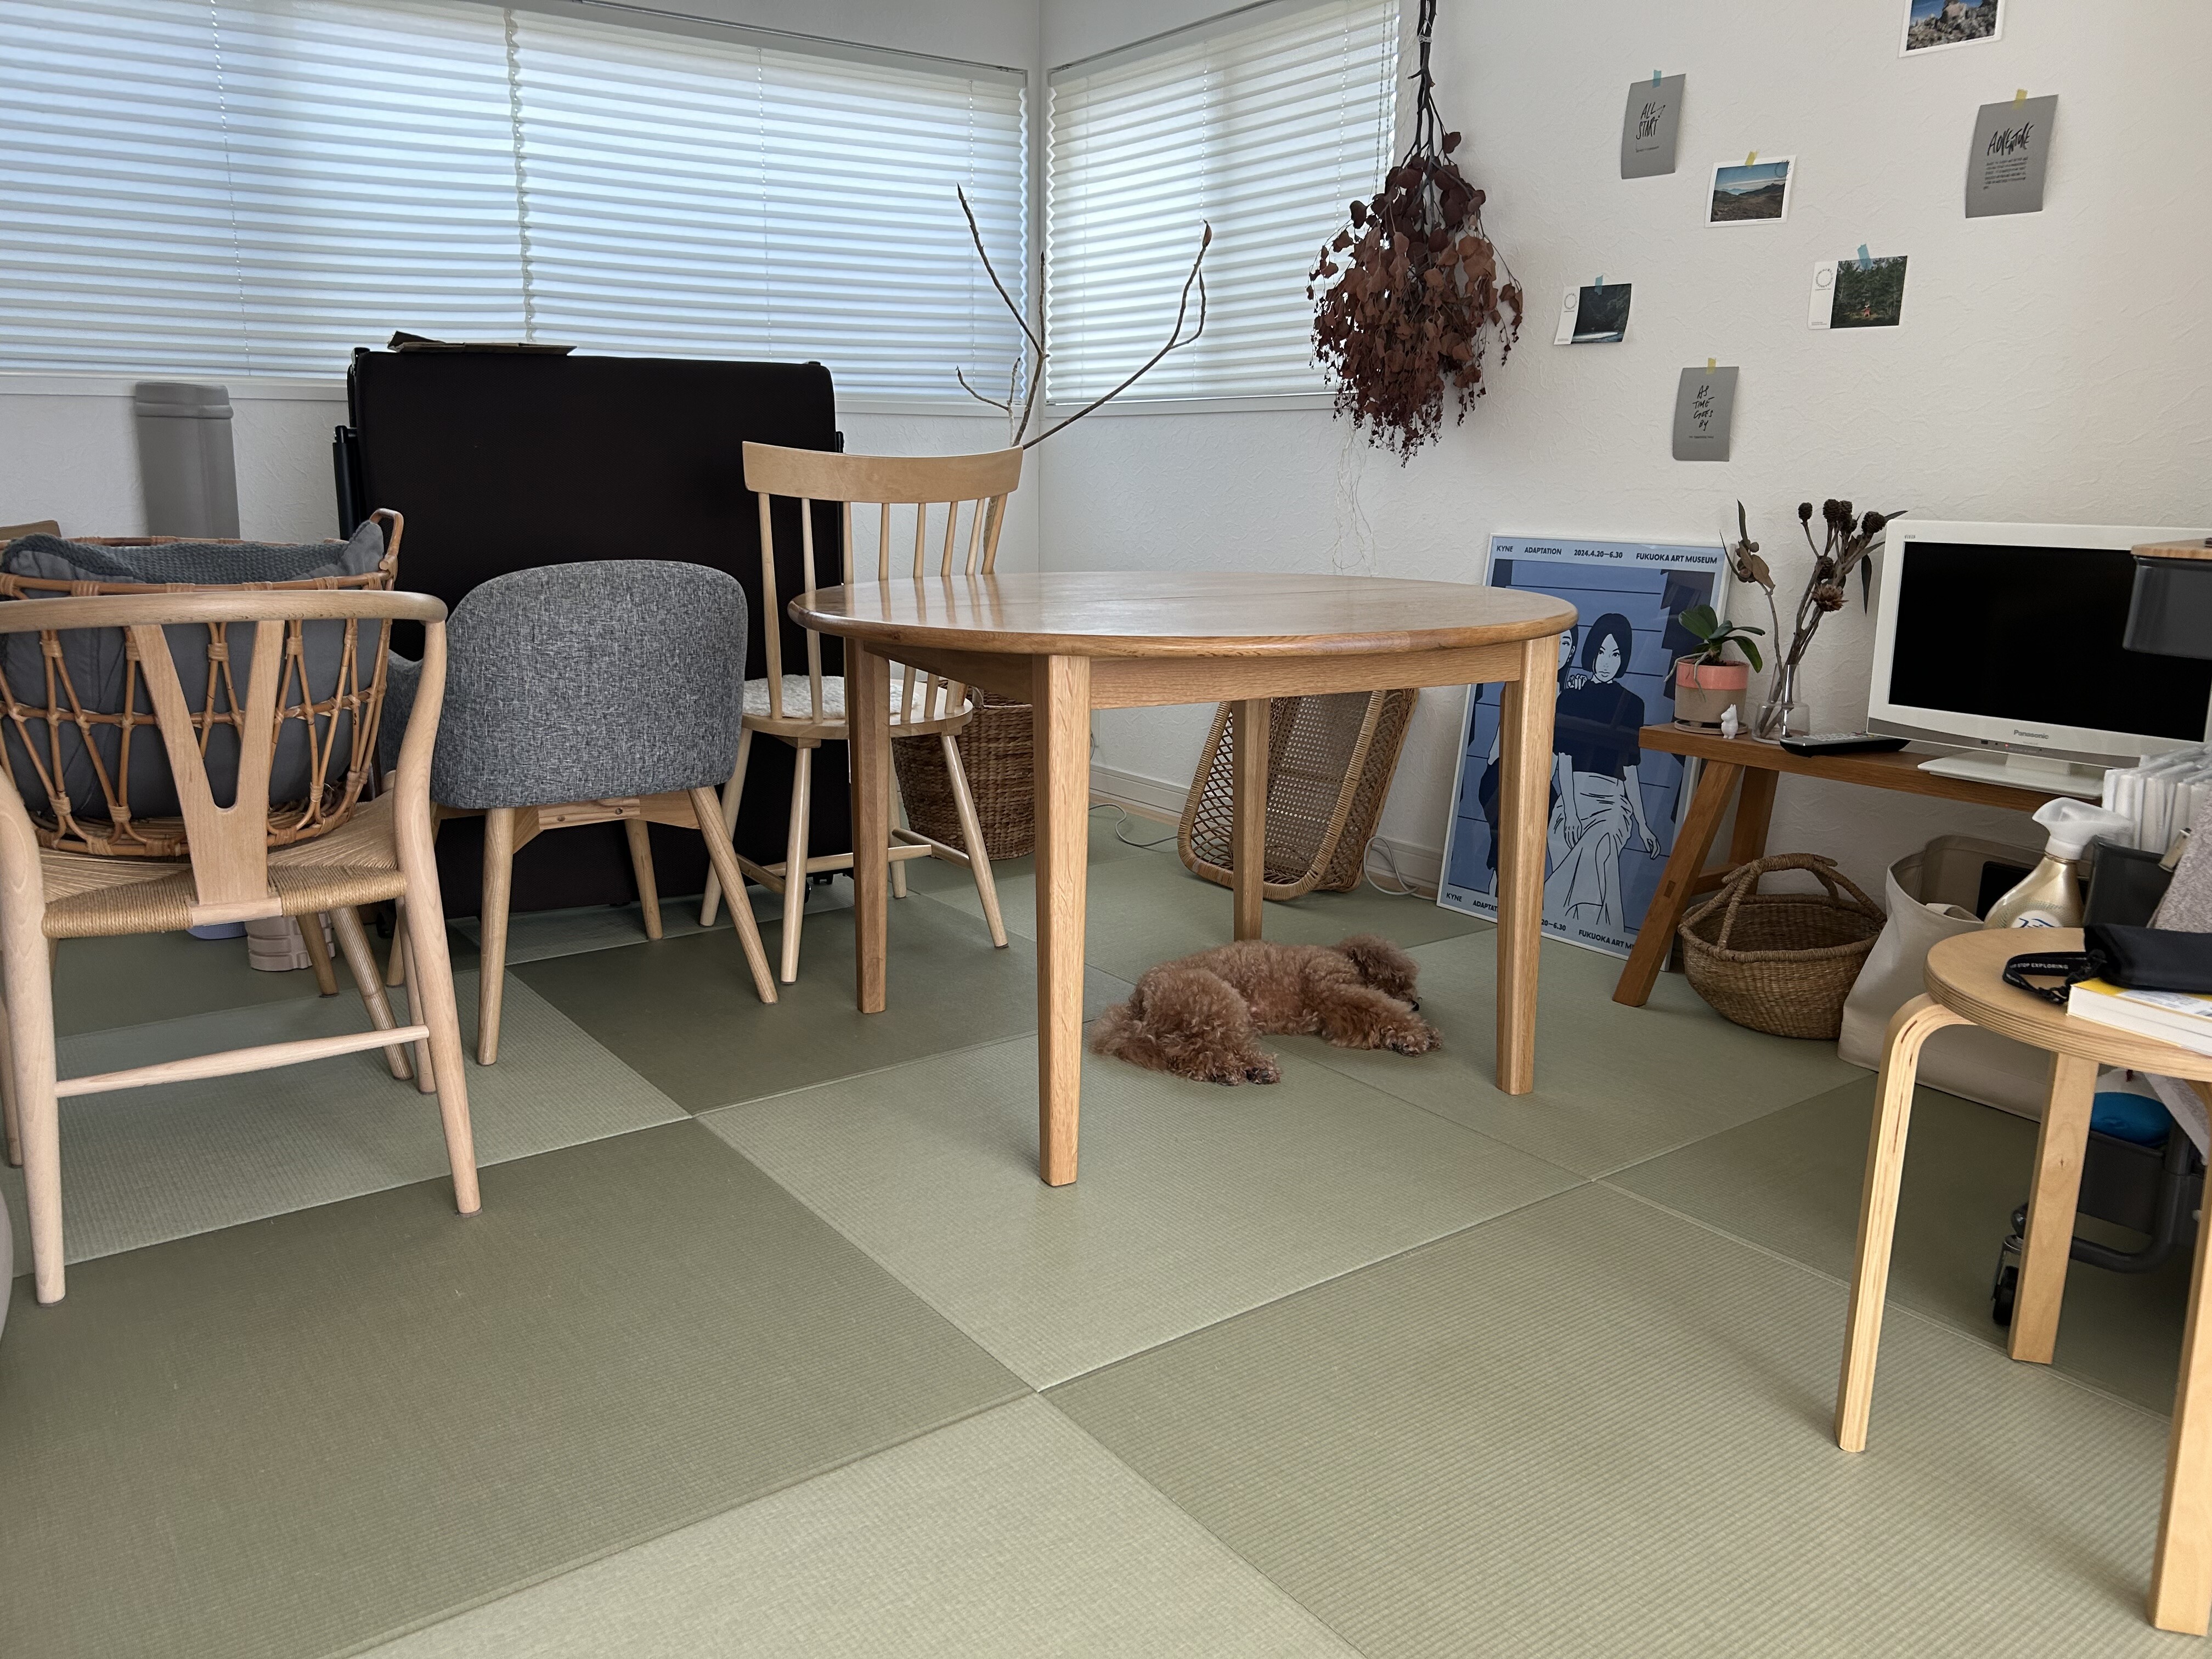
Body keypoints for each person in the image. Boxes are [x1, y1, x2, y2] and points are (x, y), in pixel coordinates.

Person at [1544, 612, 1661, 929]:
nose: (1607, 662)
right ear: (1591, 652)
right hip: (1572, 800)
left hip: (1613, 804)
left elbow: (1630, 770)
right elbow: (1564, 760)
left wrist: (1643, 824)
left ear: (1624, 658)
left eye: (1616, 654)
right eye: (1601, 652)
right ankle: (1597, 931)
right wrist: (1570, 812)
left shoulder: (1633, 705)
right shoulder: (1570, 699)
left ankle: (1546, 913)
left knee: (1600, 844)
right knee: (1571, 844)